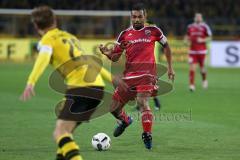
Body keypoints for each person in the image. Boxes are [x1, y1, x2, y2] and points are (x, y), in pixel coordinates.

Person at [20, 6, 123, 160]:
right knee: (65, 132)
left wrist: (31, 82)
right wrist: (112, 79)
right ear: (54, 21)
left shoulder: (48, 39)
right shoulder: (70, 37)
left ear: (36, 26)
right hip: (97, 88)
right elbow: (88, 61)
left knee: (60, 133)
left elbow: (43, 58)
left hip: (80, 88)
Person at [99, 3, 174, 149]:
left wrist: (170, 68)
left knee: (142, 102)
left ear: (145, 17)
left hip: (147, 74)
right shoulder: (124, 34)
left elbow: (166, 46)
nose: (137, 19)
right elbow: (115, 57)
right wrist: (106, 53)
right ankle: (125, 120)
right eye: (134, 17)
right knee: (113, 108)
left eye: (140, 16)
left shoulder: (153, 30)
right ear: (131, 17)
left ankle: (147, 133)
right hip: (129, 77)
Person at [185, 13, 212, 91]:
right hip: (192, 51)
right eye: (197, 17)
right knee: (192, 68)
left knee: (202, 68)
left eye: (199, 17)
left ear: (202, 18)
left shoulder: (205, 27)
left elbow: (209, 38)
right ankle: (192, 85)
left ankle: (204, 80)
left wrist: (202, 40)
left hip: (202, 51)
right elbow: (187, 36)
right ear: (194, 18)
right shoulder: (190, 27)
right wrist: (186, 41)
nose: (198, 18)